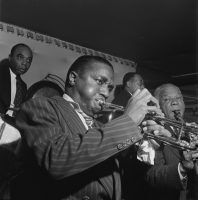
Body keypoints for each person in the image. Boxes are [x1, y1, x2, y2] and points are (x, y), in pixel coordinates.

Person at [14, 55, 162, 200]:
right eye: (99, 81)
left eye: (109, 87)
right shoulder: (41, 107)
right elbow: (56, 160)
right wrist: (128, 122)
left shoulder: (101, 126)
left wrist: (146, 145)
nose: (105, 92)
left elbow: (121, 178)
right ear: (73, 78)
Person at [144, 83, 198, 200]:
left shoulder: (193, 127)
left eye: (178, 98)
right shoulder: (153, 131)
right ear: (158, 106)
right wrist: (183, 167)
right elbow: (151, 176)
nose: (175, 102)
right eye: (167, 99)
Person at [0, 43, 33, 122]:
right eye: (20, 57)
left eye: (28, 60)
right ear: (10, 57)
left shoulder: (23, 86)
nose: (24, 63)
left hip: (13, 126)